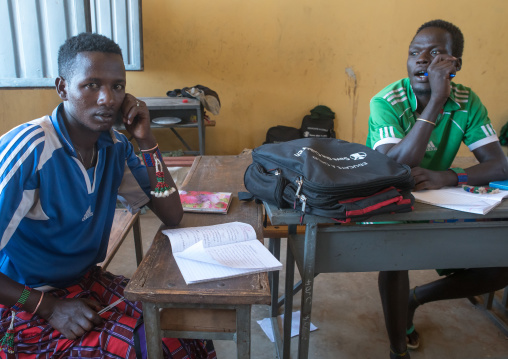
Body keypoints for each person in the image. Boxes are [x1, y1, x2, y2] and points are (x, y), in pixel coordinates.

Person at [0, 33, 215, 358]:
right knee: (133, 347)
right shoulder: (30, 151)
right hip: (26, 297)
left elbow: (172, 214)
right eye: (91, 85)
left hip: (85, 279)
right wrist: (49, 308)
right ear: (62, 88)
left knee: (181, 328)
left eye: (117, 86)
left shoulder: (115, 146)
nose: (107, 98)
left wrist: (146, 140)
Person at [366, 19, 508, 358]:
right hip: (392, 201)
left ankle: (417, 299)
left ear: (454, 65)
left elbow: (500, 165)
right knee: (395, 259)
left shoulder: (467, 102)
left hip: (443, 199)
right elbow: (400, 165)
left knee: (500, 266)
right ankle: (398, 347)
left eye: (435, 54)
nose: (421, 60)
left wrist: (452, 177)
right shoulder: (386, 101)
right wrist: (436, 100)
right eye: (415, 53)